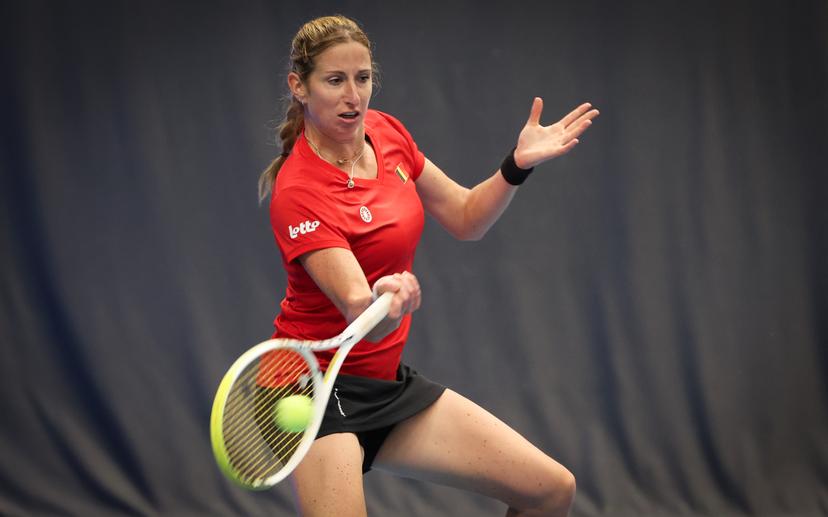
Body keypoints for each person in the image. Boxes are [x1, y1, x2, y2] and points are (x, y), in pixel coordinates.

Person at [258, 14, 599, 517]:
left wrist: (517, 165)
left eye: (362, 78)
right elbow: (360, 312)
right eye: (334, 80)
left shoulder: (386, 132)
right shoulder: (299, 191)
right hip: (311, 390)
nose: (353, 96)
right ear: (299, 87)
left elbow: (466, 217)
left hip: (382, 385)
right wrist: (386, 301)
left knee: (551, 490)